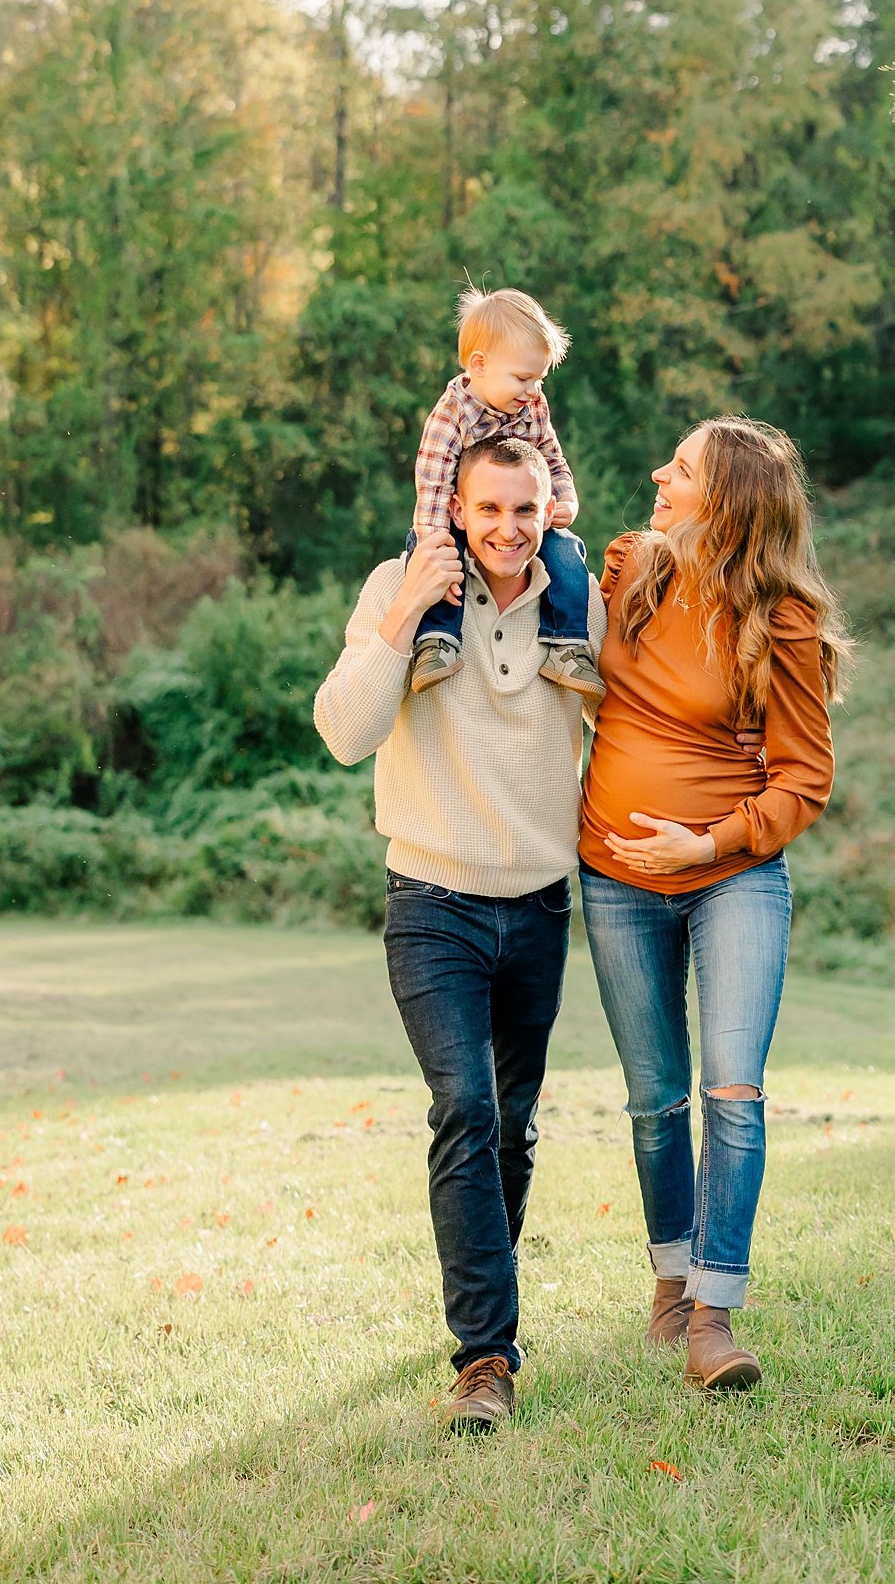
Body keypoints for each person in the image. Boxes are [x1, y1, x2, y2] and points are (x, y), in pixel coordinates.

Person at [313, 434, 606, 1433]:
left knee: (510, 1126)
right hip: (431, 901)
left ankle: (487, 1294)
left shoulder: (576, 601)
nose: (507, 530)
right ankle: (486, 1357)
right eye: (489, 510)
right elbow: (346, 732)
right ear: (455, 507)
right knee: (465, 1110)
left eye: (525, 511)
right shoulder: (405, 587)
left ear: (547, 510)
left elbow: (626, 721)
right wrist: (399, 617)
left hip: (537, 907)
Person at [578, 417, 848, 1394]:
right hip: (614, 878)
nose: (658, 473)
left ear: (727, 501)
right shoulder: (633, 571)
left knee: (733, 1088)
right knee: (656, 1099)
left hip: (734, 876)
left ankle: (713, 1317)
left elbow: (802, 783)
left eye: (681, 468)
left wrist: (712, 841)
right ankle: (670, 1278)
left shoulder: (780, 619)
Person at [405, 284, 602, 706]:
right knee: (435, 561)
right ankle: (436, 640)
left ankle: (566, 645)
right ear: (479, 365)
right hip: (458, 521)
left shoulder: (532, 405)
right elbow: (434, 483)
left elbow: (552, 455)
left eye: (539, 379)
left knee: (567, 551)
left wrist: (566, 498)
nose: (533, 390)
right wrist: (435, 539)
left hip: (521, 518)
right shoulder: (452, 414)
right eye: (523, 378)